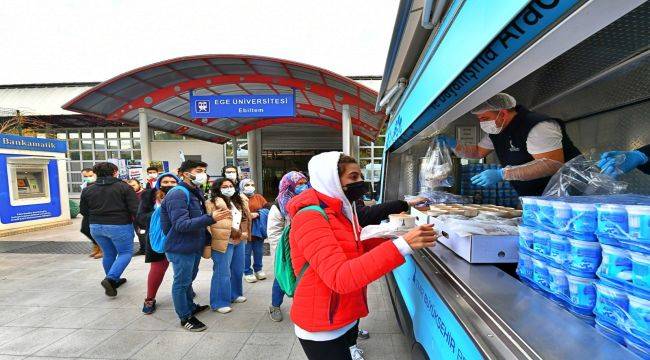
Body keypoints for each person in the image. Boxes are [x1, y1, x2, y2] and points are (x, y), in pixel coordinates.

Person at [288, 152, 437, 360]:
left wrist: (395, 236)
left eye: (360, 176)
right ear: (331, 179)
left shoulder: (341, 210)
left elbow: (355, 247)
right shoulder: (311, 217)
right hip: (322, 324)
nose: (361, 182)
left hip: (342, 315)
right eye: (353, 177)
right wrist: (402, 246)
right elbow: (341, 278)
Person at [440, 93, 581, 196]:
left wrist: (503, 174)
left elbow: (551, 164)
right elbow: (477, 152)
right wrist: (453, 144)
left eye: (485, 118)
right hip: (534, 195)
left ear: (503, 114)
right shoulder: (497, 131)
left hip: (566, 193)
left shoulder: (537, 126)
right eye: (479, 119)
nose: (482, 123)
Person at [161, 159, 224, 332]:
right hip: (181, 247)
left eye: (204, 170)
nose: (202, 174)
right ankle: (185, 317)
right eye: (198, 170)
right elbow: (181, 224)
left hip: (193, 245)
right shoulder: (178, 193)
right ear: (185, 173)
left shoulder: (194, 191)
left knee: (189, 279)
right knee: (181, 282)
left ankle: (190, 307)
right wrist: (211, 218)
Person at [80, 162, 139, 297]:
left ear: (96, 173)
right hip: (119, 225)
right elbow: (135, 208)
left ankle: (113, 281)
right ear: (115, 172)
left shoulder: (88, 189)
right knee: (125, 253)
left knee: (108, 253)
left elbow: (83, 211)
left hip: (96, 226)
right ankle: (111, 279)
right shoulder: (124, 187)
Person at [267, 171, 309, 322]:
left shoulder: (309, 201)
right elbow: (273, 232)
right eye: (299, 184)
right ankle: (275, 305)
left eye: (304, 183)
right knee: (281, 277)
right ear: (288, 185)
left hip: (304, 247)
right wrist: (283, 252)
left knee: (303, 277)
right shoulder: (279, 205)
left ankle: (300, 305)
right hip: (285, 250)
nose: (303, 186)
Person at [136, 172, 180, 314]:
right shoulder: (148, 196)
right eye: (165, 182)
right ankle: (150, 298)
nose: (169, 185)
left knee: (184, 268)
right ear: (159, 183)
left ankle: (186, 291)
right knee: (157, 269)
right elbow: (141, 217)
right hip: (157, 238)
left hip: (180, 237)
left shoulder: (182, 195)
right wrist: (162, 212)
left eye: (173, 182)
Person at [205, 178, 251, 313]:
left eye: (231, 185)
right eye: (225, 186)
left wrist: (243, 232)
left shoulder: (237, 201)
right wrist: (233, 233)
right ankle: (219, 302)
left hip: (239, 240)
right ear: (218, 188)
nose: (228, 188)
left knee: (237, 269)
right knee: (222, 272)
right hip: (222, 240)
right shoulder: (211, 203)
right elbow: (211, 222)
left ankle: (235, 294)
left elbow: (243, 218)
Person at [239, 178, 269, 283]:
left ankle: (258, 269)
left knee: (258, 251)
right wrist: (249, 215)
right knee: (246, 252)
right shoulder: (239, 198)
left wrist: (259, 213)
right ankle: (247, 272)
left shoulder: (259, 197)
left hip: (257, 229)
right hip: (245, 229)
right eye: (247, 185)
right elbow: (236, 212)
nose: (250, 186)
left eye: (252, 184)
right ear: (242, 186)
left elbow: (268, 208)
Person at [79, 168, 102, 259]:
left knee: (96, 231)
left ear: (95, 175)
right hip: (87, 212)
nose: (88, 178)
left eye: (90, 176)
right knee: (84, 229)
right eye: (85, 176)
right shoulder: (84, 185)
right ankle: (96, 245)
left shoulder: (99, 185)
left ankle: (102, 248)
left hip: (97, 211)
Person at [127, 179, 146, 255]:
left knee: (145, 234)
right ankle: (142, 249)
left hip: (143, 218)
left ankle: (148, 250)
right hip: (133, 218)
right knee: (140, 235)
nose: (131, 188)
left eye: (133, 185)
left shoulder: (145, 193)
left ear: (139, 184)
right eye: (129, 186)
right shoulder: (128, 194)